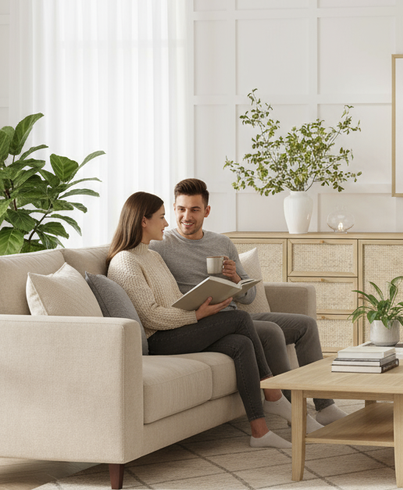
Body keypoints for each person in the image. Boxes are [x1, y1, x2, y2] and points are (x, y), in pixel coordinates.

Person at [149, 178, 346, 429]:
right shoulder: (160, 246)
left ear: (207, 211)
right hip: (203, 324)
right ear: (174, 208)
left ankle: (325, 406)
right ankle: (295, 414)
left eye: (194, 209)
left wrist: (235, 278)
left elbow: (249, 297)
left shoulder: (222, 243)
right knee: (272, 332)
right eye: (181, 209)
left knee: (305, 325)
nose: (186, 216)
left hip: (236, 317)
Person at [106, 191, 291, 449]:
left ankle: (259, 432)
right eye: (162, 217)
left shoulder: (153, 255)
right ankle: (273, 393)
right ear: (143, 221)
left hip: (177, 328)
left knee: (240, 344)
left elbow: (172, 298)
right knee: (239, 319)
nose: (168, 223)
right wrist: (197, 315)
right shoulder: (125, 261)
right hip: (159, 338)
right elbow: (150, 315)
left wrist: (201, 302)